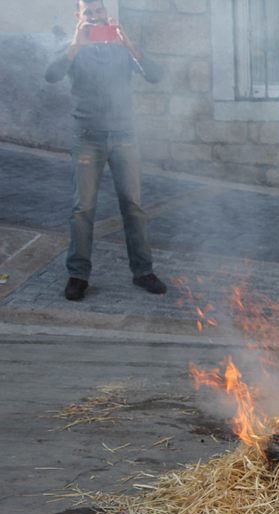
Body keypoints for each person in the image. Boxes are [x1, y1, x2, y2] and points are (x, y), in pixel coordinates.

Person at [45, 0, 166, 301]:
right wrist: (76, 45)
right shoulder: (72, 46)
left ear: (106, 13)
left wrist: (130, 45)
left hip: (125, 136)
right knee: (83, 209)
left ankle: (143, 271)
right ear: (78, 16)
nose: (95, 16)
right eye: (88, 12)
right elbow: (51, 75)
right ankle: (78, 275)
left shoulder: (121, 46)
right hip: (87, 136)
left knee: (133, 207)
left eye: (99, 11)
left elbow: (155, 75)